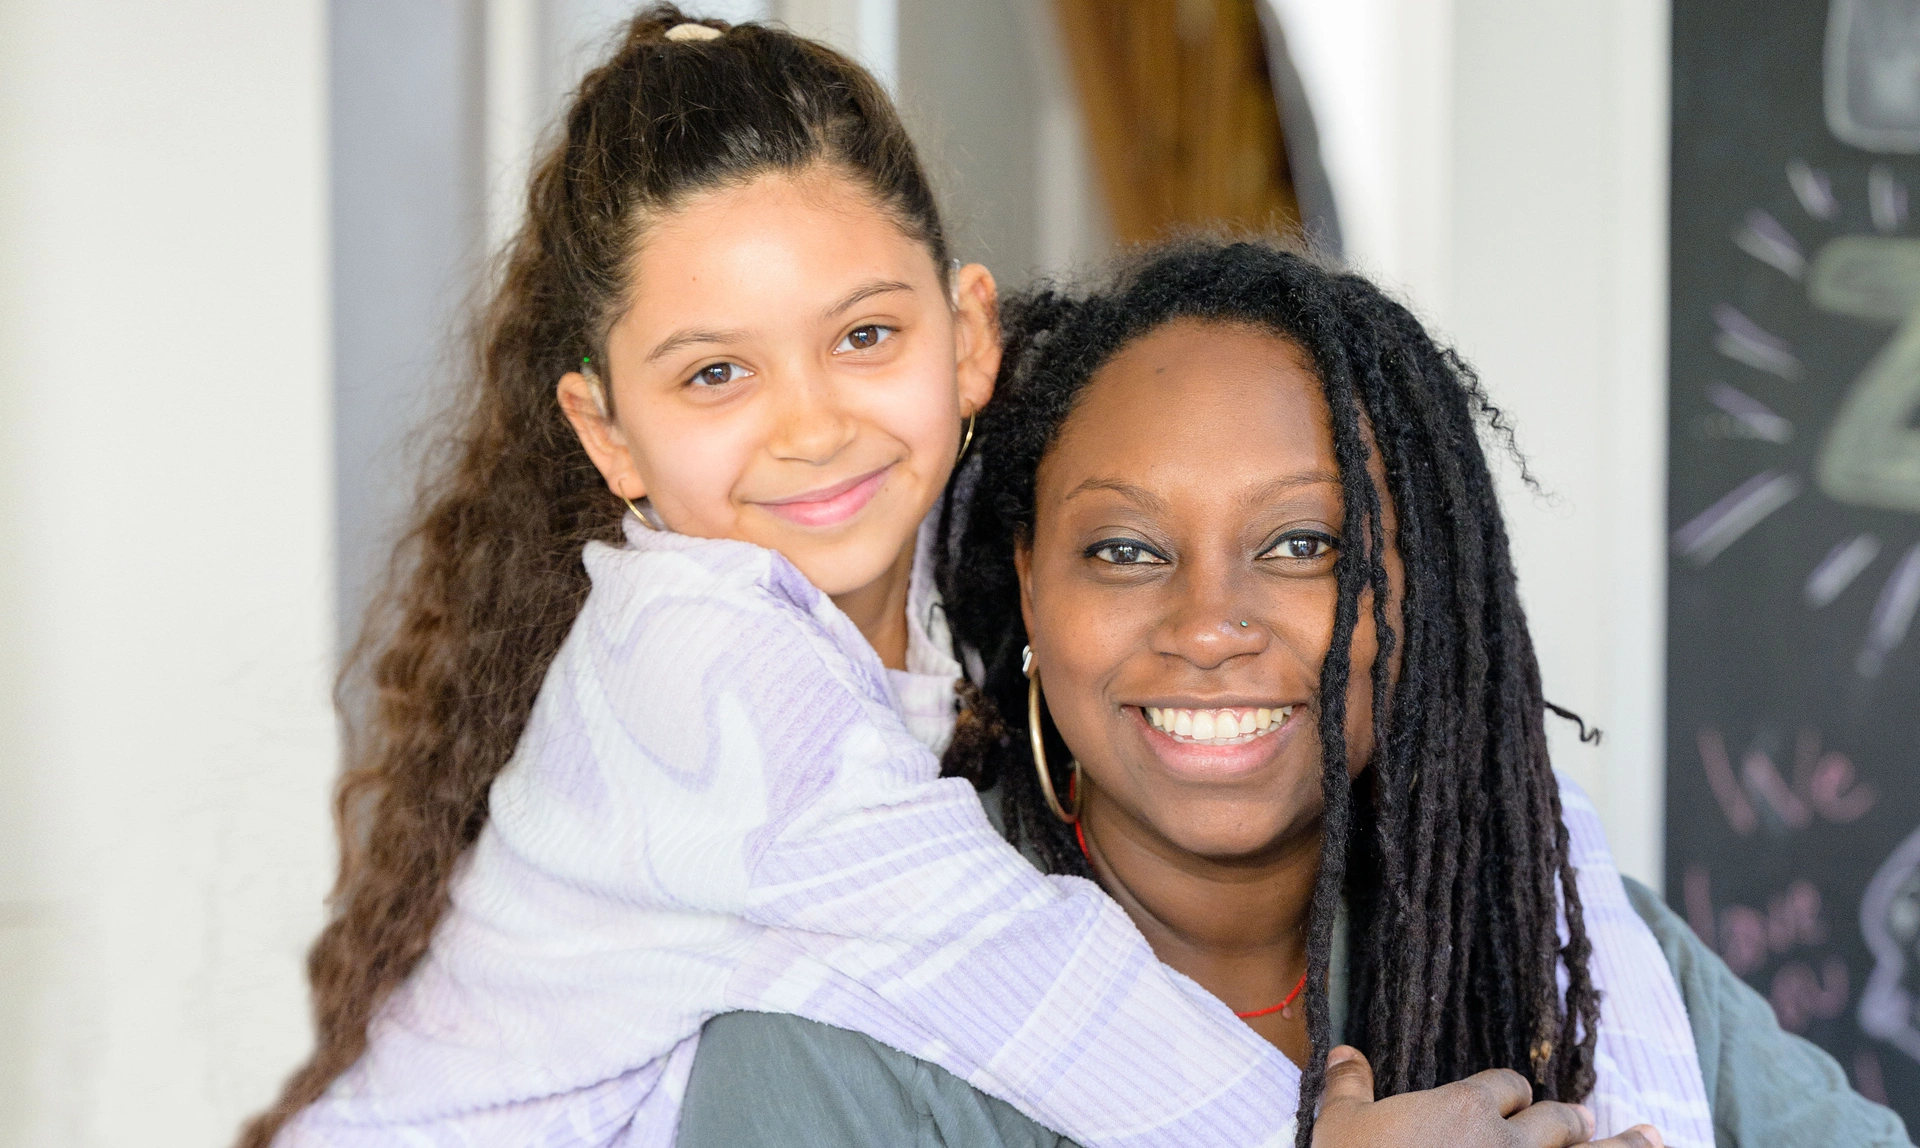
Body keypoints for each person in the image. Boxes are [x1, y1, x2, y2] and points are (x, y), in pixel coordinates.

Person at [237, 11, 1533, 1148]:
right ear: (606, 434)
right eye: (716, 374)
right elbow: (1020, 970)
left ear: (966, 340)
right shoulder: (696, 668)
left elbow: (1511, 787)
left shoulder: (942, 540)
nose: (813, 428)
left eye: (865, 336)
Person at [677, 240, 1915, 1148]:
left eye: (1304, 545)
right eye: (1124, 548)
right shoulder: (848, 1019)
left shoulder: (1557, 927)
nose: (1211, 624)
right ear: (1030, 589)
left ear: (1412, 589)